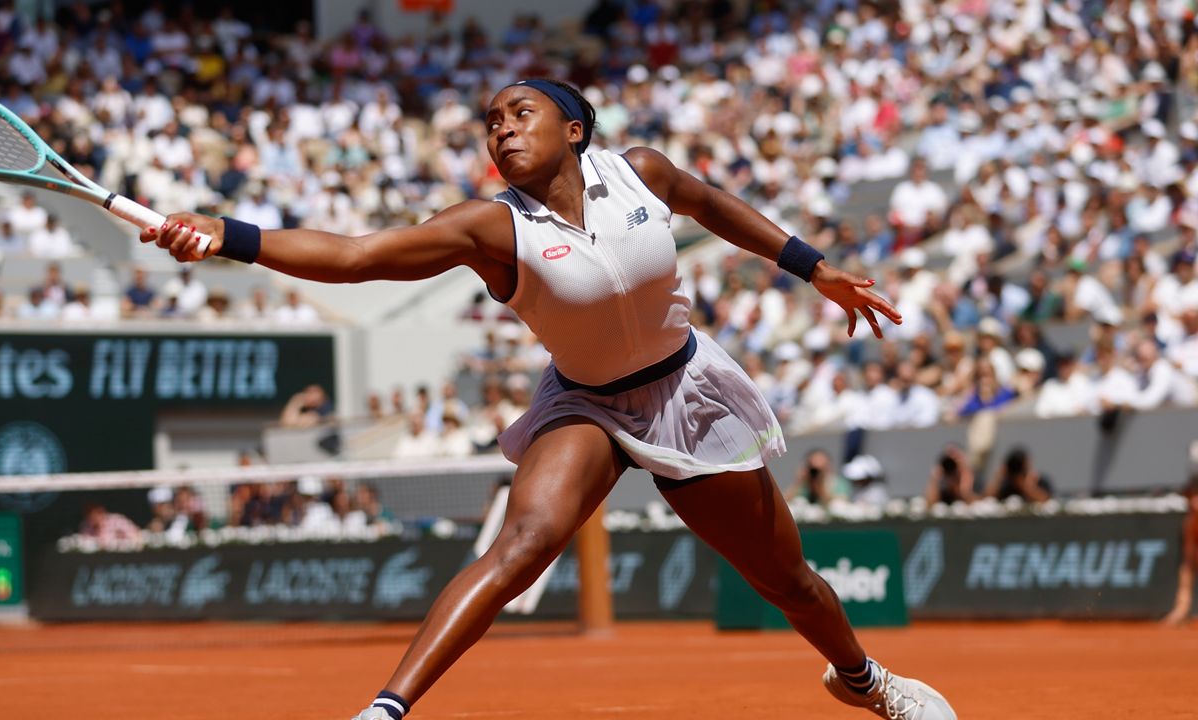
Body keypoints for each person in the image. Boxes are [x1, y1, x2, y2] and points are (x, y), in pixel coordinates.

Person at [144, 78, 954, 720]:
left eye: (518, 113)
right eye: (490, 122)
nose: (499, 130)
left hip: (686, 391)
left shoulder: (643, 171)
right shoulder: (493, 229)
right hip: (586, 404)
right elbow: (356, 256)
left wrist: (815, 268)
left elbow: (713, 207)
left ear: (574, 129)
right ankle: (385, 710)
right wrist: (228, 233)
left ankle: (863, 680)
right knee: (521, 544)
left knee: (787, 581)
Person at [1163, 471, 1198, 626]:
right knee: (1186, 573)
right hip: (1193, 555)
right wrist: (1190, 561)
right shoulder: (1189, 522)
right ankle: (1181, 611)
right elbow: (1189, 546)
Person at [983, 446, 1053, 503]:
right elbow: (986, 499)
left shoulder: (1039, 481)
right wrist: (998, 478)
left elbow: (1046, 501)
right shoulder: (1006, 485)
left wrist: (1027, 486)